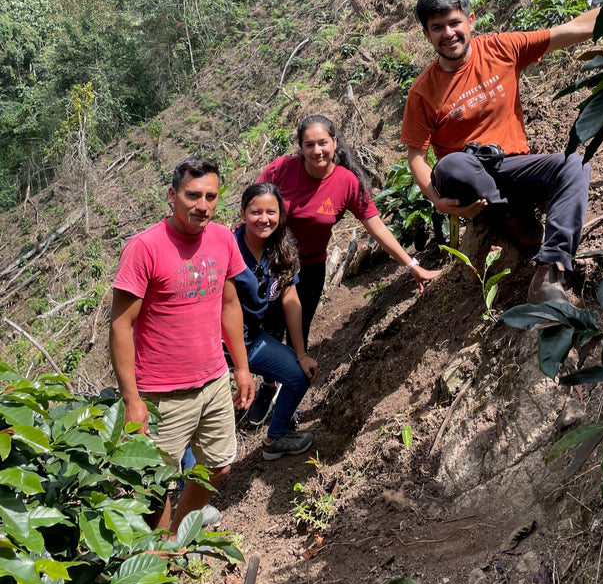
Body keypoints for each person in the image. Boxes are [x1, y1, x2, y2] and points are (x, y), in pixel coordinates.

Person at [401, 0, 603, 304]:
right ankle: (513, 216)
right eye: (437, 28)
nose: (448, 33)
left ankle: (549, 270)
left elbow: (573, 28)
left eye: (454, 23)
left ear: (470, 20)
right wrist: (436, 199)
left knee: (573, 164)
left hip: (512, 163)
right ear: (427, 35)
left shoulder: (501, 48)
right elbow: (417, 157)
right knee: (451, 165)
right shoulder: (422, 92)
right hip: (467, 178)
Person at [248, 114, 440, 425]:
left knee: (300, 332)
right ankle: (268, 385)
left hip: (309, 268)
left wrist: (411, 264)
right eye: (309, 145)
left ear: (335, 142)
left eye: (323, 143)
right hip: (271, 266)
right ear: (300, 148)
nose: (317, 150)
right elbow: (254, 208)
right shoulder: (282, 169)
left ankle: (289, 393)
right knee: (269, 328)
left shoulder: (346, 182)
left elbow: (376, 226)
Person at [109, 157, 255, 537]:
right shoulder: (145, 248)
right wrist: (132, 400)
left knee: (220, 465)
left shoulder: (223, 238)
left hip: (213, 381)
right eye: (192, 195)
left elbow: (228, 305)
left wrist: (240, 367)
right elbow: (121, 325)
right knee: (155, 483)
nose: (202, 206)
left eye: (210, 196)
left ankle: (175, 535)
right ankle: (156, 557)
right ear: (172, 195)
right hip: (161, 393)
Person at [231, 182, 319, 459]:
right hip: (215, 348)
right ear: (244, 213)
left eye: (271, 212)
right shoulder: (228, 247)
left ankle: (276, 437)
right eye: (256, 212)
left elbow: (290, 301)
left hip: (251, 340)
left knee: (298, 374)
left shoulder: (280, 248)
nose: (264, 219)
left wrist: (301, 353)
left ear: (280, 214)